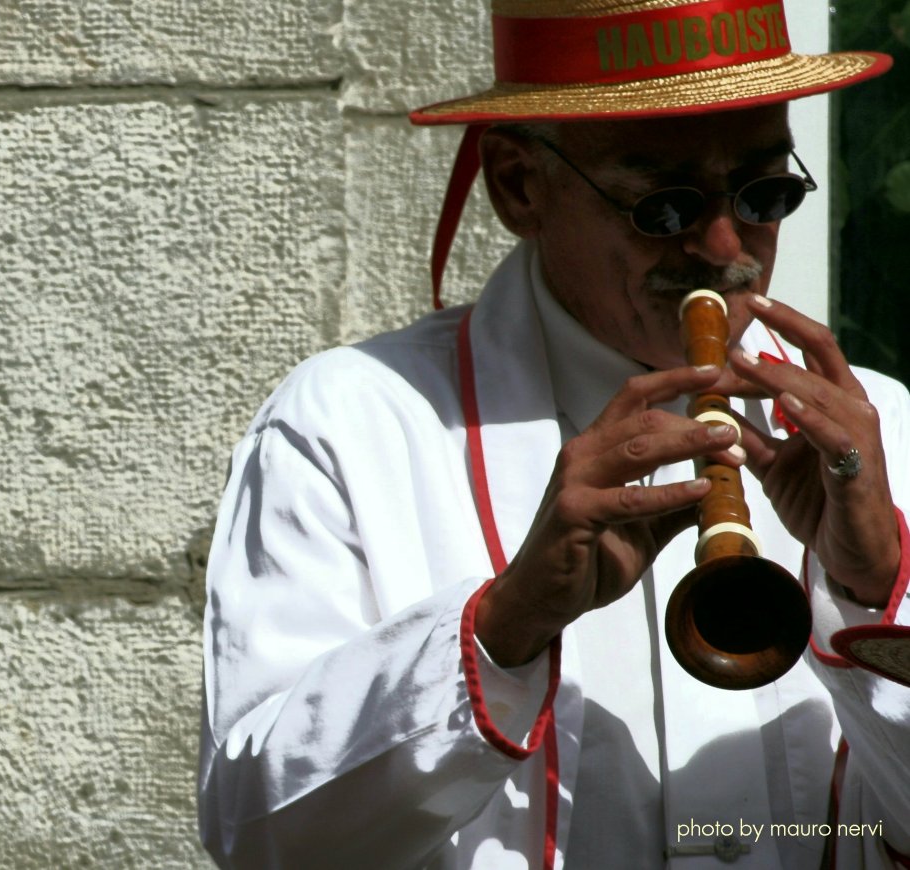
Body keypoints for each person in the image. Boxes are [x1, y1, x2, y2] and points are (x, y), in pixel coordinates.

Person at [197, 1, 910, 867]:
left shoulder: (883, 426)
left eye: (765, 194)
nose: (728, 248)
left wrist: (875, 589)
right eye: (663, 205)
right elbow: (261, 837)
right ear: (517, 185)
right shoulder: (349, 424)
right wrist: (509, 620)